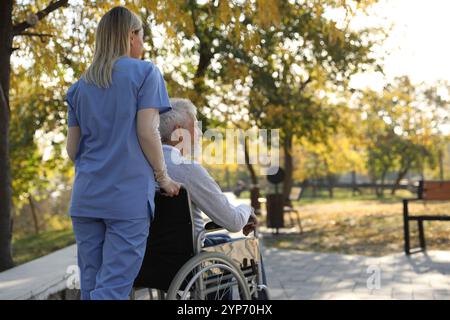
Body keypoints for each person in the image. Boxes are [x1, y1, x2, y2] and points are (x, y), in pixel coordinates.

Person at [65, 6, 180, 300]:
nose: (143, 42)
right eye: (141, 35)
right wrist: (163, 178)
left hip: (86, 198)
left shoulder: (78, 88)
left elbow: (72, 149)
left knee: (91, 286)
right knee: (113, 289)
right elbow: (147, 132)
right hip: (126, 199)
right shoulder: (145, 73)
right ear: (131, 36)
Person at [159, 98, 268, 299]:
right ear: (178, 130)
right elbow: (233, 222)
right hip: (187, 262)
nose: (199, 135)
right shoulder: (186, 168)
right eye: (195, 127)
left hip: (149, 264)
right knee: (241, 248)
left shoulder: (138, 166)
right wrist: (247, 210)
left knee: (220, 241)